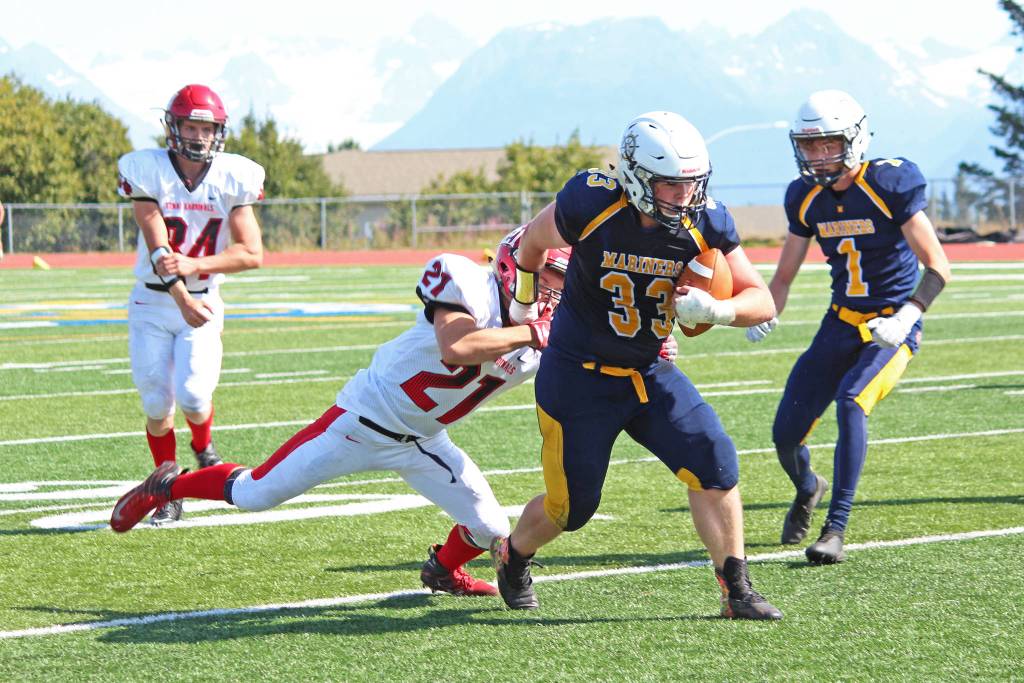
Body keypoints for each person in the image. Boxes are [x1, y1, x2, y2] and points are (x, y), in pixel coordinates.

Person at [111, 228, 590, 597]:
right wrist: (535, 335)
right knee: (255, 494)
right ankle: (168, 485)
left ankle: (443, 570)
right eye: (549, 277)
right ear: (513, 264)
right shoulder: (468, 282)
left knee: (491, 528)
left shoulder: (551, 334)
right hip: (360, 422)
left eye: (565, 285)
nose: (555, 294)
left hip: (424, 440)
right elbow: (457, 345)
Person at [489, 111, 783, 620]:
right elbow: (532, 245)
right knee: (570, 510)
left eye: (691, 183)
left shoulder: (705, 219)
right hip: (577, 376)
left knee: (714, 461)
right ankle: (513, 554)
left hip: (648, 369)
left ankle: (737, 590)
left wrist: (720, 310)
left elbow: (762, 299)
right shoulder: (592, 201)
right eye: (670, 184)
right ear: (636, 175)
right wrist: (522, 306)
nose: (683, 195)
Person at [746, 90, 952, 565]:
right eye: (810, 145)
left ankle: (835, 527)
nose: (819, 155)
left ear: (854, 139)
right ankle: (808, 486)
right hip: (840, 322)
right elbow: (782, 276)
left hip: (892, 323)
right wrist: (767, 311)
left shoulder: (889, 182)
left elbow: (938, 265)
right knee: (785, 433)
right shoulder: (804, 196)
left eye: (829, 144)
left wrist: (907, 315)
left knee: (852, 402)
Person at [117, 84, 265, 526]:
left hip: (202, 300)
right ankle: (167, 488)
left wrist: (196, 265)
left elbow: (252, 253)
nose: (199, 137)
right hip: (153, 301)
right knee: (156, 403)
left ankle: (203, 446)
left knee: (195, 396)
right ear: (173, 127)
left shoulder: (232, 176)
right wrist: (179, 292)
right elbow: (157, 244)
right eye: (191, 126)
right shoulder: (148, 171)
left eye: (207, 127)